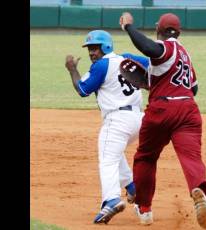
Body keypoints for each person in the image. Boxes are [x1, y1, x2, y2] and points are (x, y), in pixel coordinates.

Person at [119, 12, 206, 228]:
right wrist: (154, 81)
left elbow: (150, 49)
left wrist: (128, 28)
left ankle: (144, 209)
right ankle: (198, 189)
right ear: (178, 32)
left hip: (161, 109)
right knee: (192, 157)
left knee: (146, 158)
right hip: (188, 110)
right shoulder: (185, 54)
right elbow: (193, 88)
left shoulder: (166, 47)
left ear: (158, 29)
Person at [64, 30, 150, 224]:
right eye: (90, 49)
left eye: (95, 48)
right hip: (138, 120)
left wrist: (72, 69)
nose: (91, 53)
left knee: (107, 159)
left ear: (106, 47)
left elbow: (82, 89)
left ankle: (111, 200)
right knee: (114, 151)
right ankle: (132, 187)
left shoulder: (101, 66)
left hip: (118, 119)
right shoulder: (127, 58)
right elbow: (153, 64)